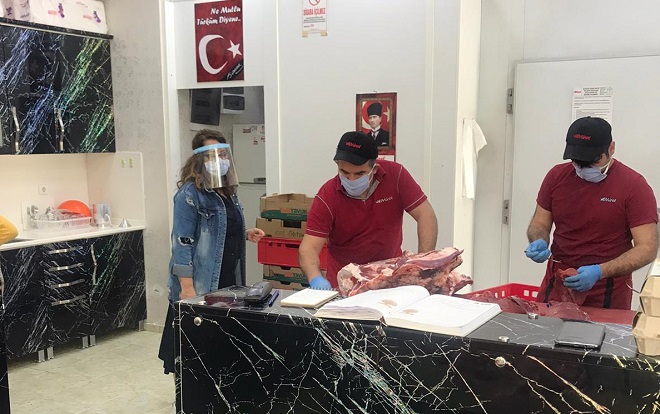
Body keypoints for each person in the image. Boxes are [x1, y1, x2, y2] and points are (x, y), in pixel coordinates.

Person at [158, 129, 265, 374]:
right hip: (201, 284)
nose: (219, 160)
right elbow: (182, 243)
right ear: (199, 160)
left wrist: (245, 233)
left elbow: (218, 230)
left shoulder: (227, 192)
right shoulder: (189, 194)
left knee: (219, 350)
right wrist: (187, 289)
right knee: (191, 353)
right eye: (210, 155)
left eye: (222, 154)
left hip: (227, 283)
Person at [525, 117, 658, 309]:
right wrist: (538, 240)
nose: (583, 168)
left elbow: (647, 247)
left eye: (592, 161)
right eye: (577, 162)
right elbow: (539, 224)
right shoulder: (556, 177)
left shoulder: (634, 186)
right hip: (558, 282)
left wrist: (600, 271)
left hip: (607, 289)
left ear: (611, 148)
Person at [299, 131, 438, 289]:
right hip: (346, 284)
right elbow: (309, 248)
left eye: (359, 174)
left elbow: (426, 215)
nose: (351, 180)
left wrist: (422, 264)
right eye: (344, 172)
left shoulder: (395, 176)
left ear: (374, 168)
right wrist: (315, 277)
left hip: (390, 279)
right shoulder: (327, 196)